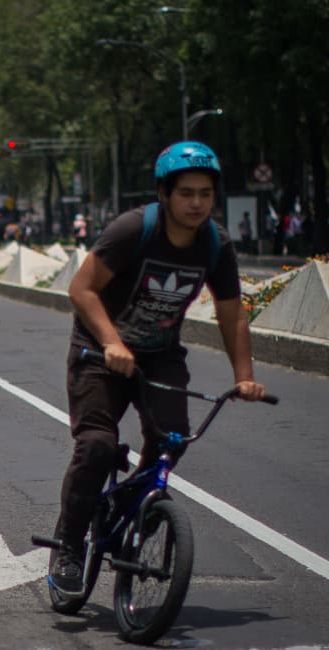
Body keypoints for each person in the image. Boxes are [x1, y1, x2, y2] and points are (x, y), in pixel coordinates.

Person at [50, 141, 267, 595]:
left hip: (159, 353)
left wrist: (243, 377)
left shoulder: (215, 244)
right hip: (99, 350)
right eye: (186, 192)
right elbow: (82, 289)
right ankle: (68, 548)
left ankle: (132, 507)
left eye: (206, 194)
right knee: (95, 445)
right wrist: (111, 343)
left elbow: (232, 314)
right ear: (164, 193)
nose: (196, 203)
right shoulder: (134, 229)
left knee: (173, 440)